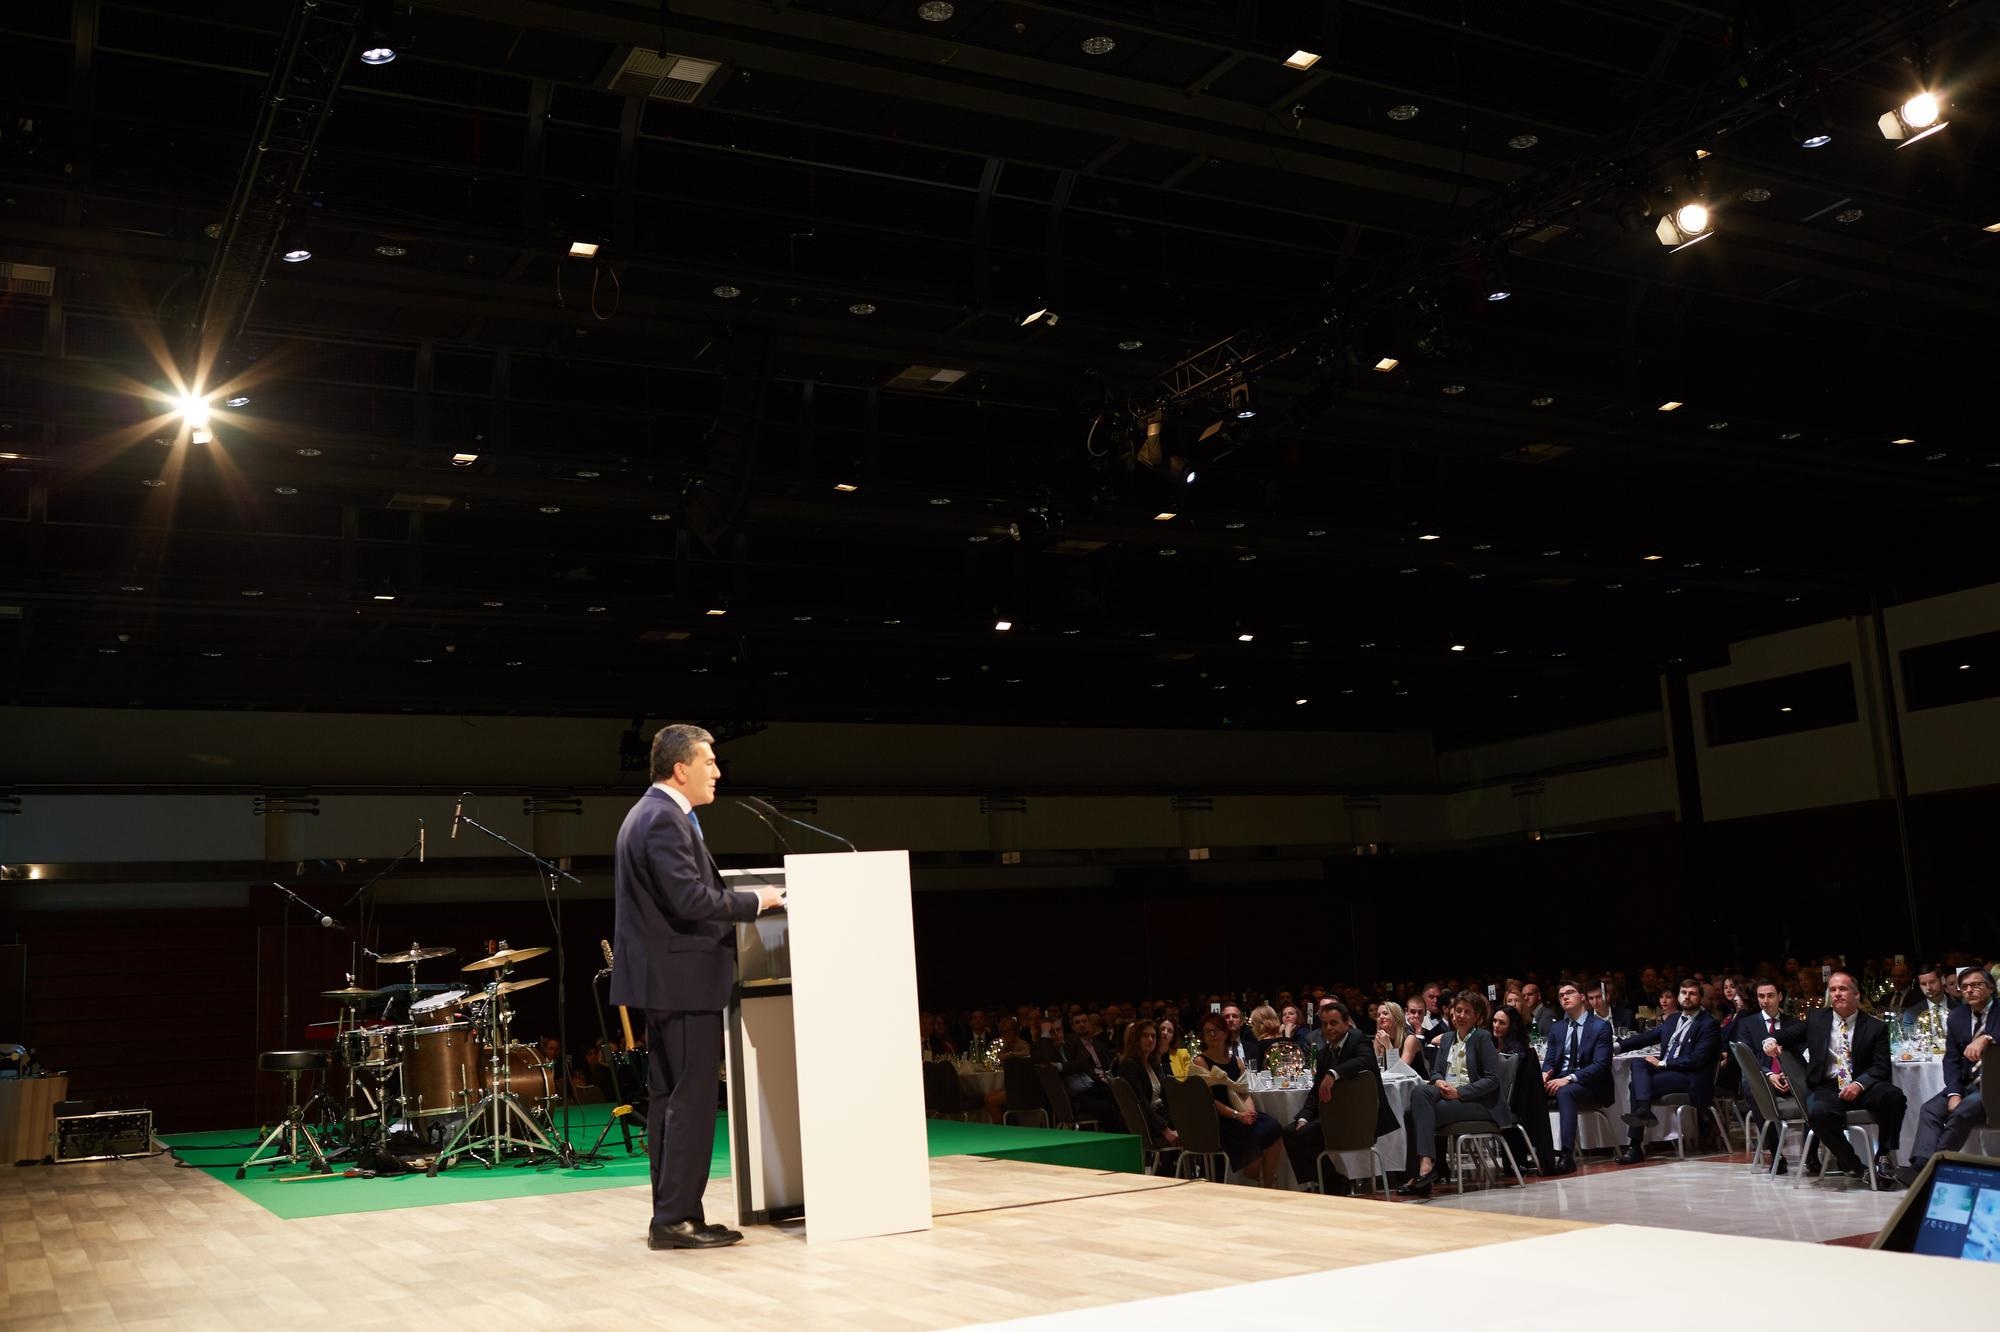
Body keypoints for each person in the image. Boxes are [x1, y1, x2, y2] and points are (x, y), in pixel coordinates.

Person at [611, 723, 785, 1251]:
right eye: (709, 762)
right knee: (687, 1102)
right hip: (682, 982)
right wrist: (758, 903)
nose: (717, 772)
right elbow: (689, 900)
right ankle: (675, 1219)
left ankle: (676, 1213)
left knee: (670, 1101)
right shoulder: (662, 819)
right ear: (680, 769)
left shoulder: (653, 814)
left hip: (667, 982)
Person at [1761, 970, 1904, 1189]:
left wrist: (1859, 1084)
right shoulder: (1817, 1019)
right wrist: (1770, 1040)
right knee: (1817, 1114)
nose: (1837, 994)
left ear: (1856, 995)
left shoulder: (1875, 1027)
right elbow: (1788, 1035)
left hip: (1862, 1085)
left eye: (1843, 989)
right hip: (1827, 1086)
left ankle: (1884, 1154)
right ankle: (1856, 1167)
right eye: (1833, 990)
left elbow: (1881, 1067)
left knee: (1894, 1097)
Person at [1397, 991, 1511, 1197]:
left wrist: (1459, 1092)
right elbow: (1436, 1071)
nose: (1461, 1015)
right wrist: (1439, 1081)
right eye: (1458, 1010)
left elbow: (1493, 1080)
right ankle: (1425, 1169)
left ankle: (1423, 1173)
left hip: (1479, 1103)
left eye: (1467, 1012)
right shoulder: (1448, 1038)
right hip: (1446, 1093)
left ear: (1477, 1017)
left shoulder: (1482, 1038)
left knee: (1413, 1114)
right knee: (1420, 1092)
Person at [1283, 1000, 1396, 1196]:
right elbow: (1315, 1092)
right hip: (1336, 1118)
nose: (1329, 1028)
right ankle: (1332, 1182)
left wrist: (1333, 1073)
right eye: (1325, 1024)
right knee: (1290, 1132)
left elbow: (1365, 1060)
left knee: (1305, 1137)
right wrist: (1303, 1118)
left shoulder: (1358, 1040)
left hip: (1362, 1119)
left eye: (1334, 1023)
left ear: (1346, 1023)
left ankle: (1332, 1185)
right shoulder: (1325, 1053)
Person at [1901, 967, 1995, 1182]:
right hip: (1967, 1084)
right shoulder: (1957, 1016)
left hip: (1995, 1087)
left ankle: (1932, 1171)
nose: (1970, 990)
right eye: (1965, 987)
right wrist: (1953, 1092)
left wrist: (1987, 1037)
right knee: (1930, 1110)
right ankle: (1921, 1166)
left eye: (1976, 985)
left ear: (1990, 988)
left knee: (1961, 1112)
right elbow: (1951, 1059)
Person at [1613, 978, 1720, 1164]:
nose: (1687, 997)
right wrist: (1615, 1047)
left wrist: (1663, 1064)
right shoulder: (1673, 1020)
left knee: (1634, 1086)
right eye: (1684, 993)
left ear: (1700, 997)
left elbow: (1697, 1059)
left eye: (1692, 993)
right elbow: (1648, 1037)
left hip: (1690, 1077)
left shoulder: (1708, 1024)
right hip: (1669, 1071)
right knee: (1638, 1064)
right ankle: (1643, 1113)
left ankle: (1635, 1146)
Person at [1191, 1011, 1284, 1186]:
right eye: (1208, 1031)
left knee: (1273, 1126)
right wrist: (1236, 1115)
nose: (1213, 1034)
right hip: (1218, 1119)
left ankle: (1268, 1181)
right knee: (1253, 1135)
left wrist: (1250, 1112)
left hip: (1239, 1114)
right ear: (1202, 1036)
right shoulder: (1200, 1062)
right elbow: (1207, 1101)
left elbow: (1244, 1092)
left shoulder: (1236, 1061)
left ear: (1225, 1033)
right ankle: (1257, 1177)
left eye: (1217, 1030)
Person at [1540, 980, 1612, 1176]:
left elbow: (1600, 1065)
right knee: (1529, 1091)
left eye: (1570, 992)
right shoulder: (1558, 1028)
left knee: (1566, 1092)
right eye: (1561, 994)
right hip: (1560, 1082)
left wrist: (1569, 1078)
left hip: (1590, 1086)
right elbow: (1550, 1061)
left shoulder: (1600, 1026)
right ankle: (1538, 1155)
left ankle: (1566, 1156)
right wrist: (1545, 1073)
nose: (1564, 996)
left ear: (1582, 997)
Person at [1738, 978, 1796, 1173]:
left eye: (1770, 996)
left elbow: (1803, 1054)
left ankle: (1812, 1154)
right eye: (1761, 996)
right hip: (1763, 1078)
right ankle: (1776, 1152)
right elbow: (1748, 1057)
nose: (1765, 1001)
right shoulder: (1747, 1024)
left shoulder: (1793, 1023)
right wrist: (1769, 1073)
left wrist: (1789, 1076)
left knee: (1817, 1088)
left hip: (1791, 1079)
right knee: (1752, 1086)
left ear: (1779, 996)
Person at [1491, 1004, 1556, 1174]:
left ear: (1511, 1026)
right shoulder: (1495, 1045)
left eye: (1501, 1023)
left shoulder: (1516, 1051)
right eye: (1494, 1021)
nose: (1496, 1025)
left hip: (1513, 1105)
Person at [1116, 1019, 1181, 1151]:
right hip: (1148, 1123)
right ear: (1136, 1039)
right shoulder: (1129, 1066)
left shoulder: (1154, 1062)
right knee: (1194, 1135)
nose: (1150, 1039)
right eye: (1145, 1036)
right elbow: (1141, 1104)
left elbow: (1166, 1097)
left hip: (1162, 1115)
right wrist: (1167, 1131)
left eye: (1153, 1036)